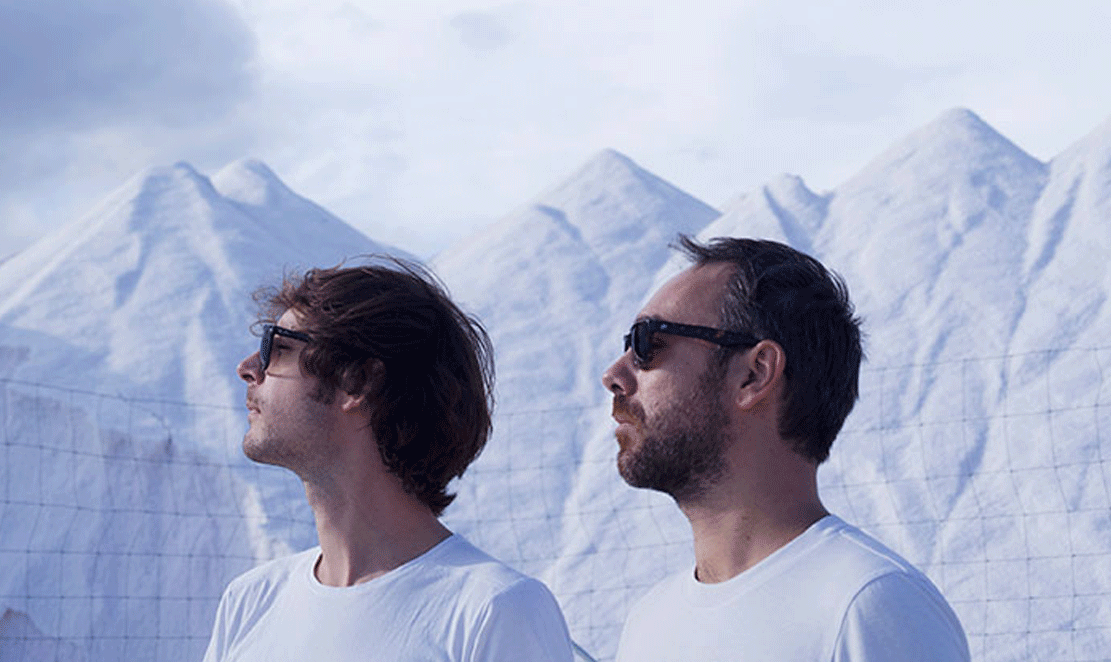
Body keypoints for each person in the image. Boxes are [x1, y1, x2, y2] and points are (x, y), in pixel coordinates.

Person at [604, 236, 970, 662]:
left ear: (755, 374)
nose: (613, 374)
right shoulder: (649, 623)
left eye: (648, 342)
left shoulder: (871, 608)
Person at [205, 258, 573, 661]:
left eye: (278, 348)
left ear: (357, 381)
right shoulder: (249, 603)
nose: (247, 368)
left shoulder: (496, 611)